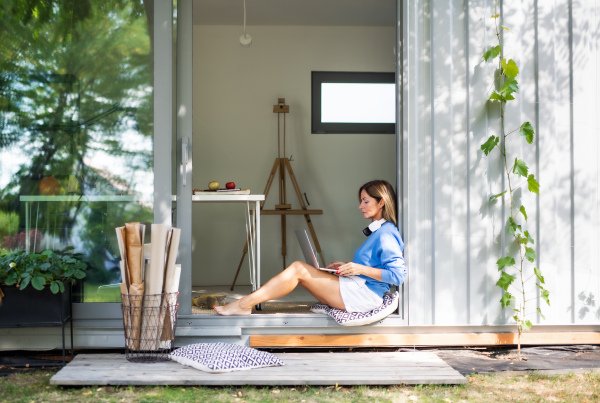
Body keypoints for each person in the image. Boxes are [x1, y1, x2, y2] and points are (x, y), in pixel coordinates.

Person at [214, 179, 407, 316]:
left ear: (381, 202)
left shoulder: (387, 233)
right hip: (358, 287)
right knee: (304, 274)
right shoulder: (379, 231)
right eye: (361, 201)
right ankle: (246, 304)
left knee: (299, 269)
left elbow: (398, 275)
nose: (360, 206)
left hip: (365, 296)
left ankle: (244, 304)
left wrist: (359, 269)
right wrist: (348, 267)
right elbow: (374, 267)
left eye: (366, 201)